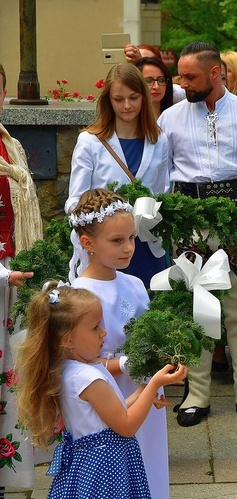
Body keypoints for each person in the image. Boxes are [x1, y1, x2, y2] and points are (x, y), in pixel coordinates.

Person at [159, 42, 237, 427]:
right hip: (190, 224)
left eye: (189, 76)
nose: (182, 83)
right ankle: (197, 394)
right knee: (200, 310)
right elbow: (163, 175)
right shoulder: (171, 119)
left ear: (215, 74)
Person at [15, 283, 186, 498]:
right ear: (67, 340)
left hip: (89, 465)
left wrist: (143, 391)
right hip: (105, 469)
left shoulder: (70, 370)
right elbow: (125, 426)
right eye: (95, 327)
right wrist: (153, 384)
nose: (103, 332)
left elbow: (110, 414)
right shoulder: (87, 378)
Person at [68, 188, 172, 498]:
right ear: (88, 243)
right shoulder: (81, 296)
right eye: (117, 241)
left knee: (152, 464)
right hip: (112, 397)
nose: (128, 248)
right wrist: (127, 363)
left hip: (146, 393)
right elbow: (78, 365)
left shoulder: (136, 284)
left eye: (131, 238)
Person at [66, 62, 170, 287]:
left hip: (147, 244)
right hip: (106, 249)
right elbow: (75, 201)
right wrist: (104, 218)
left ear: (143, 97)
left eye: (133, 98)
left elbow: (163, 191)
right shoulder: (90, 142)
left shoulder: (159, 140)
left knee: (153, 311)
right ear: (108, 101)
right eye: (118, 99)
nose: (127, 106)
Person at [0, 61, 44, 491]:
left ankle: (9, 471)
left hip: (14, 269)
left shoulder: (9, 145)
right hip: (0, 274)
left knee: (13, 375)